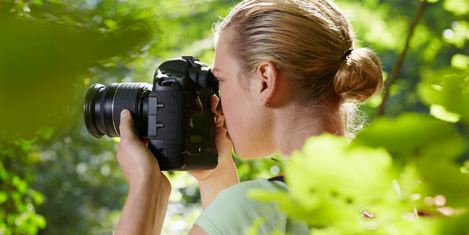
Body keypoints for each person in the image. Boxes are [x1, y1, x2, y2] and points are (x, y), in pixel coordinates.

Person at [114, 0, 383, 234]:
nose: (216, 105)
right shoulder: (388, 190)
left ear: (264, 81)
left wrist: (146, 189)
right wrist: (215, 176)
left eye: (221, 81)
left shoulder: (261, 209)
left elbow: (246, 218)